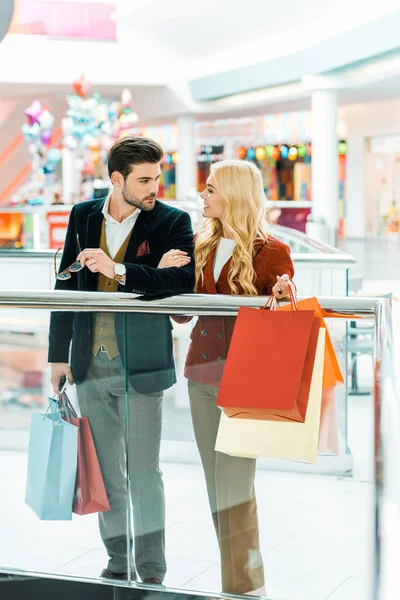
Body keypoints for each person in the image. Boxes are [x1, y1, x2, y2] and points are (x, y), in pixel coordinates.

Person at [48, 136, 194, 584]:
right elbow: (66, 287)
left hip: (143, 365)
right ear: (117, 179)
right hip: (90, 362)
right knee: (108, 472)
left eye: (158, 177)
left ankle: (151, 570)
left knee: (145, 472)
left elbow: (181, 280)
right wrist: (58, 355)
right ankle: (117, 562)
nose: (155, 187)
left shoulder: (172, 220)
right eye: (145, 179)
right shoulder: (82, 215)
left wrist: (122, 270)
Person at [168, 160, 295, 596]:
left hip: (247, 379)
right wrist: (170, 274)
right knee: (214, 484)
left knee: (236, 486)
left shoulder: (272, 251)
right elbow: (182, 314)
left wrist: (281, 293)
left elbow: (286, 308)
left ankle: (243, 585)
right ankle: (238, 580)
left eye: (210, 189)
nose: (202, 197)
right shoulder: (200, 244)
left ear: (234, 194)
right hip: (201, 374)